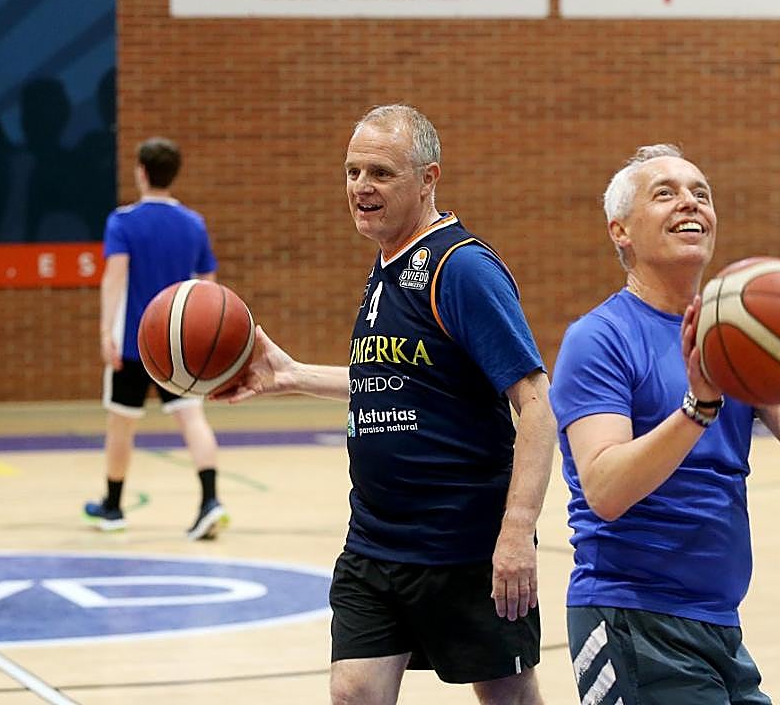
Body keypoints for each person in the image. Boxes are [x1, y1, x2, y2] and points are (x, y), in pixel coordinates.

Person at [214, 105, 556, 704]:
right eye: (352, 172)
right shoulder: (386, 269)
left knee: (508, 698)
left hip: (462, 547)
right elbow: (395, 380)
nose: (361, 187)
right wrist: (290, 375)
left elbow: (536, 403)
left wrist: (518, 532)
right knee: (354, 693)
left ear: (429, 179)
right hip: (375, 545)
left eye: (380, 172)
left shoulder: (461, 268)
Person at [548, 144, 780, 704]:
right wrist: (698, 408)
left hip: (719, 622)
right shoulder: (599, 339)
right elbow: (605, 489)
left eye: (700, 193)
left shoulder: (735, 331)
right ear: (621, 231)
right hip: (631, 619)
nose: (691, 203)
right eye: (666, 193)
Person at [84, 137, 229, 540]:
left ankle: (113, 507)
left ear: (142, 172)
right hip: (178, 345)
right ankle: (210, 501)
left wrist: (105, 332)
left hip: (132, 343)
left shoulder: (123, 221)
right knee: (192, 418)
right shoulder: (193, 223)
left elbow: (114, 277)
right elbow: (208, 286)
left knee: (121, 425)